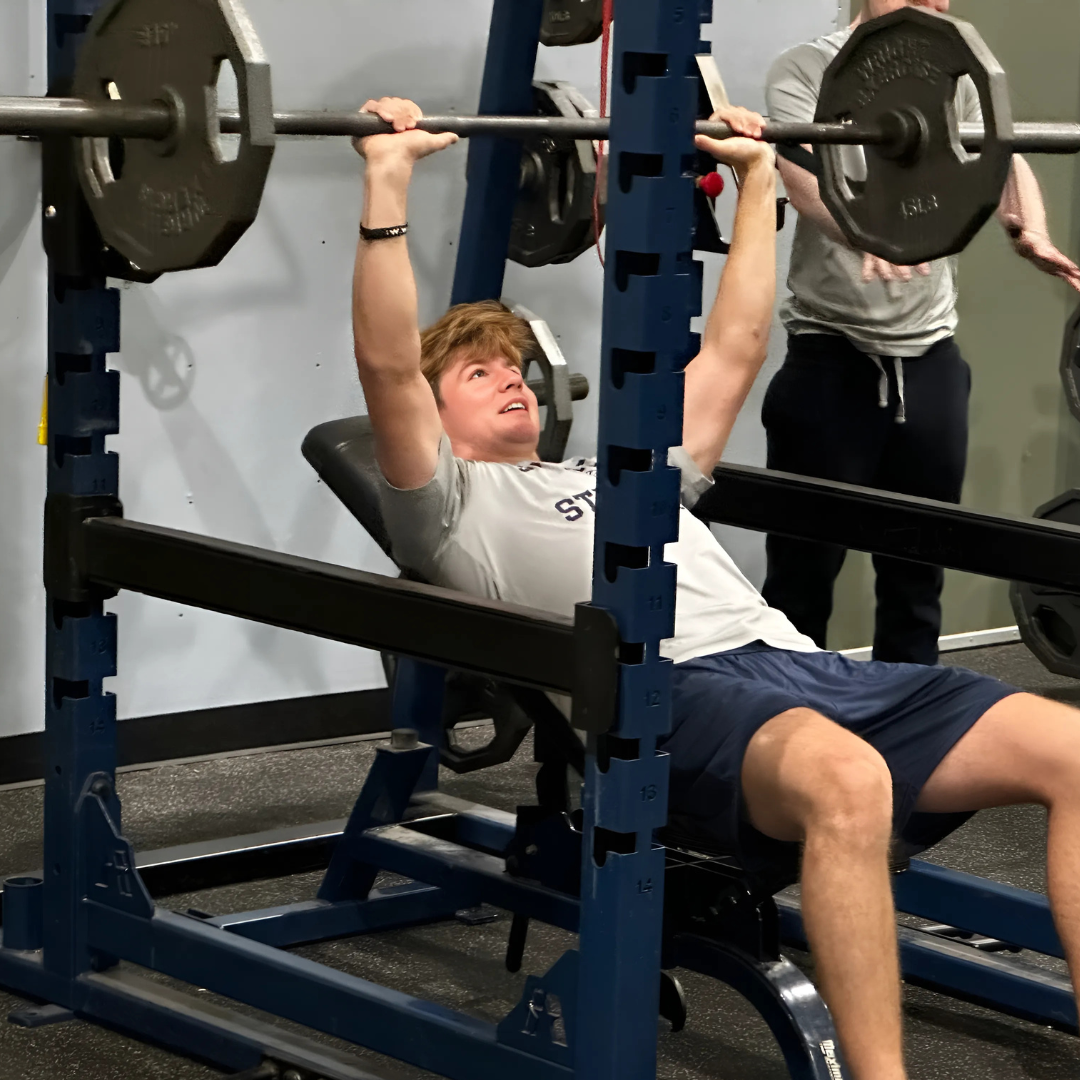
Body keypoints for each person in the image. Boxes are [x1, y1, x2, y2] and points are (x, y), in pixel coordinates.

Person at [349, 97, 1080, 1080]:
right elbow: (388, 363)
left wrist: (758, 180)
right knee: (848, 782)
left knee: (1070, 748)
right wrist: (386, 180)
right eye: (478, 374)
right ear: (435, 417)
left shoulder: (616, 473)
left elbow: (733, 350)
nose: (512, 378)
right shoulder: (445, 507)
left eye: (516, 365)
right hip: (669, 700)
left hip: (797, 668)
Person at [763, 0, 1080, 665]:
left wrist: (1030, 229)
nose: (935, 3)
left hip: (931, 357)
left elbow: (999, 149)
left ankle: (908, 729)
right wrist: (868, 230)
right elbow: (800, 175)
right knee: (803, 574)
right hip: (831, 355)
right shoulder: (806, 67)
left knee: (918, 569)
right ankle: (785, 729)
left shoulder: (947, 65)